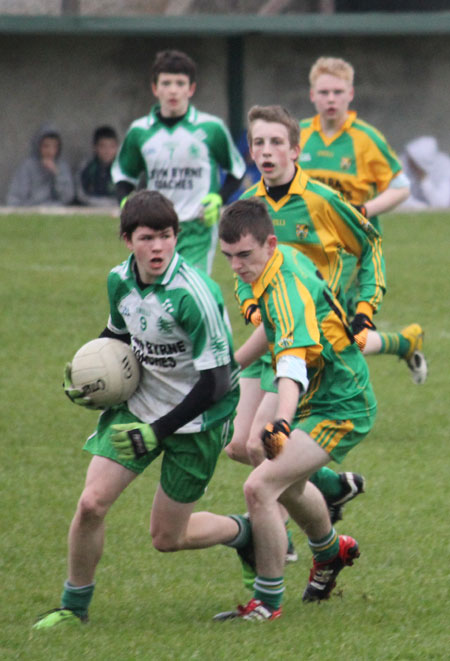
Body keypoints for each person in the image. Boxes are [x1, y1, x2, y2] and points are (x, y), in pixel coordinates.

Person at [32, 190, 262, 630]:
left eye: (166, 236)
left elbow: (216, 383)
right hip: (140, 404)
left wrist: (159, 430)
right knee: (92, 504)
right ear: (127, 240)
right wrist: (85, 371)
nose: (158, 247)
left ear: (177, 237)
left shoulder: (194, 294)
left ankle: (244, 533)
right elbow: (117, 334)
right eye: (147, 237)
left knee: (166, 538)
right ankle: (73, 607)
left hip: (197, 420)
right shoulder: (119, 280)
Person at [214, 198, 375, 621]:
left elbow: (290, 363)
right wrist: (230, 367)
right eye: (228, 257)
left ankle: (267, 602)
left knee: (259, 486)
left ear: (269, 243)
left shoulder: (283, 284)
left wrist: (282, 420)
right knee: (280, 475)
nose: (236, 266)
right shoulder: (277, 261)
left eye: (244, 255)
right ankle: (330, 551)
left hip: (341, 404)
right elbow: (272, 328)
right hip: (319, 392)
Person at [226, 104, 386, 528]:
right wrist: (251, 304)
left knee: (265, 444)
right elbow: (242, 270)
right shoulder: (248, 204)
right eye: (258, 142)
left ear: (295, 150)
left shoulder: (322, 200)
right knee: (238, 445)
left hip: (307, 339)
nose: (267, 151)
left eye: (277, 142)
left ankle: (279, 540)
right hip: (269, 334)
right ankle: (331, 487)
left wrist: (366, 309)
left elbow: (370, 245)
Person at [300, 57, 426, 383]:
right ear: (312, 95)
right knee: (325, 332)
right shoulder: (297, 135)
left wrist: (364, 211)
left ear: (351, 94)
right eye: (324, 92)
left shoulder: (365, 138)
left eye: (337, 92)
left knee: (328, 332)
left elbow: (401, 187)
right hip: (307, 248)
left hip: (352, 252)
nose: (331, 99)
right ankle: (403, 343)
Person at [112, 49, 246, 274]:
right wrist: (126, 202)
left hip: (197, 228)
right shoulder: (140, 131)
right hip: (155, 228)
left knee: (191, 290)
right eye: (166, 83)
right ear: (155, 88)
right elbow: (123, 175)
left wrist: (218, 199)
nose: (173, 90)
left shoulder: (211, 128)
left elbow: (237, 170)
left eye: (180, 83)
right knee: (158, 293)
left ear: (191, 88)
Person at [6, 123, 74, 206]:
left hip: (55, 210)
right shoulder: (27, 167)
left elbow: (67, 197)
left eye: (55, 147)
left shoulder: (62, 167)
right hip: (30, 210)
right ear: (38, 146)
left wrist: (57, 174)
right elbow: (14, 197)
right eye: (46, 146)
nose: (50, 151)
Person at [399, 136, 450, 210]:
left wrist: (424, 179)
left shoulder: (445, 167)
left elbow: (441, 204)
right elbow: (399, 198)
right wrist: (423, 207)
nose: (410, 164)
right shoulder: (401, 164)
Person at [76, 125, 119, 207]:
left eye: (112, 146)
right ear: (95, 147)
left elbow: (128, 194)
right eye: (103, 146)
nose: (107, 151)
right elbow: (81, 195)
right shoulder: (87, 167)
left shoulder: (122, 169)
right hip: (90, 209)